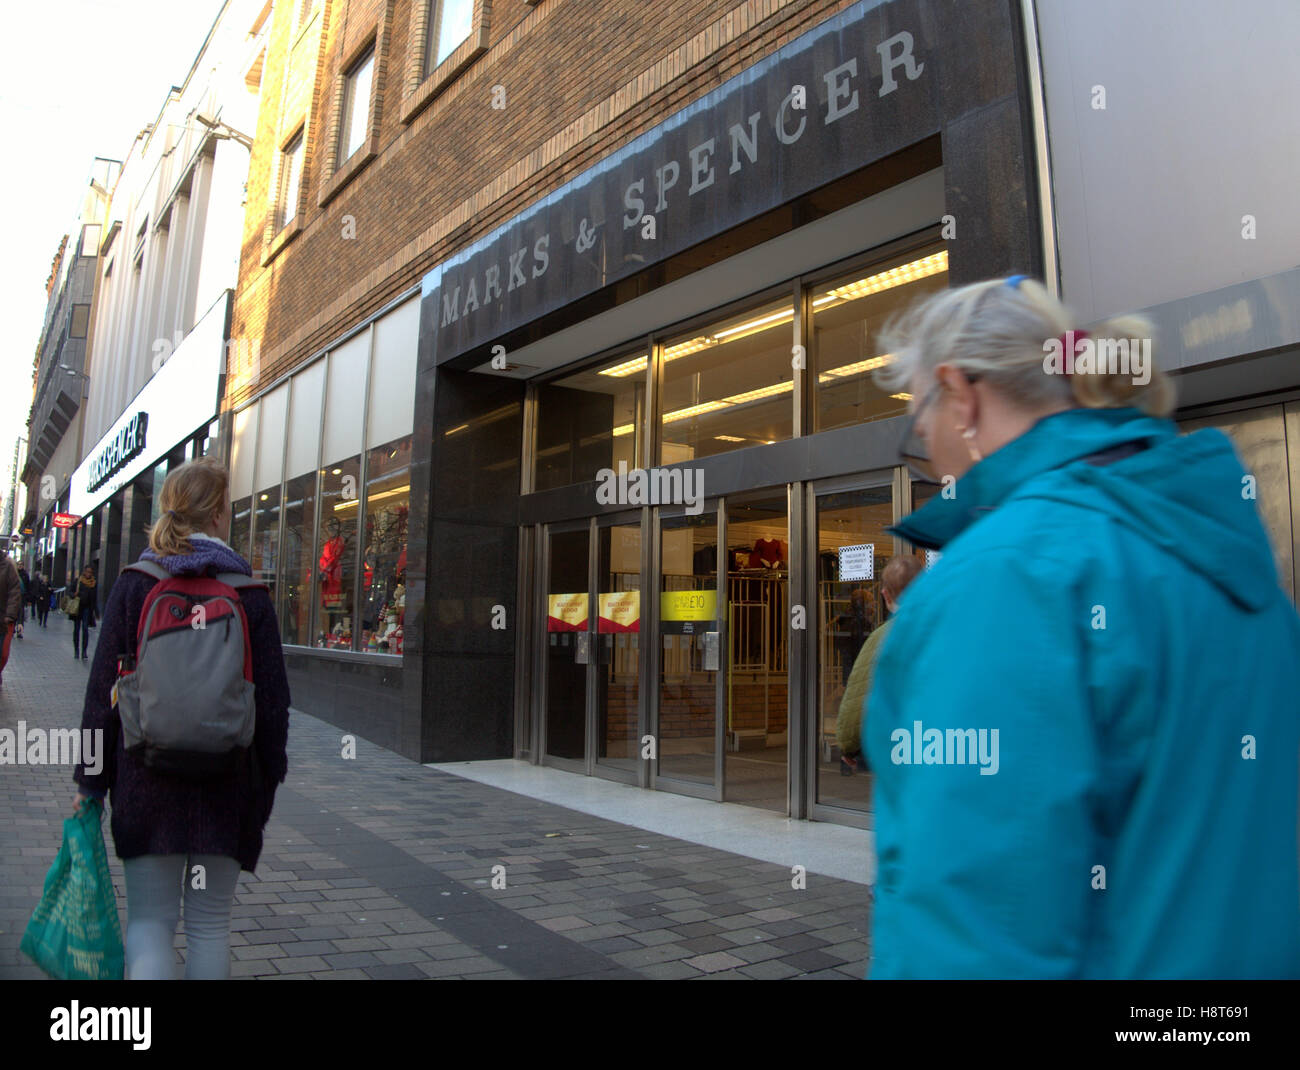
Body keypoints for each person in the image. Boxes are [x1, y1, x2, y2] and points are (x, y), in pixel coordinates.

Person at [863, 275, 1300, 979]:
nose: (929, 449)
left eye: (923, 421)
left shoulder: (1005, 572)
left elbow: (976, 924)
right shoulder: (1227, 557)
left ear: (963, 393)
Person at [72, 456, 291, 980]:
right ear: (217, 512)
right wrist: (264, 787)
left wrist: (89, 784)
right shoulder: (250, 595)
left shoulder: (135, 584)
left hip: (146, 782)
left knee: (149, 922)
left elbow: (101, 696)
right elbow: (274, 708)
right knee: (211, 925)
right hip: (227, 785)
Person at [836, 555, 923, 771]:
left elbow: (858, 696)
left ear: (885, 595)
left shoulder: (880, 638)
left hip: (901, 743)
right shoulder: (953, 630)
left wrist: (848, 746)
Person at [0, 554, 21, 686]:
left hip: (2, 620)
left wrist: (10, 614)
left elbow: (15, 592)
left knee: (2, 654)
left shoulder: (7, 567)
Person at [71, 566, 98, 660]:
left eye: (90, 572)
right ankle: (76, 650)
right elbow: (70, 591)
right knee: (77, 629)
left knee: (85, 629)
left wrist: (95, 611)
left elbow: (94, 598)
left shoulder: (93, 583)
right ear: (84, 572)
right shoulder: (78, 581)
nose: (88, 574)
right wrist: (74, 594)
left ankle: (84, 651)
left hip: (87, 609)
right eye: (87, 572)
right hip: (77, 608)